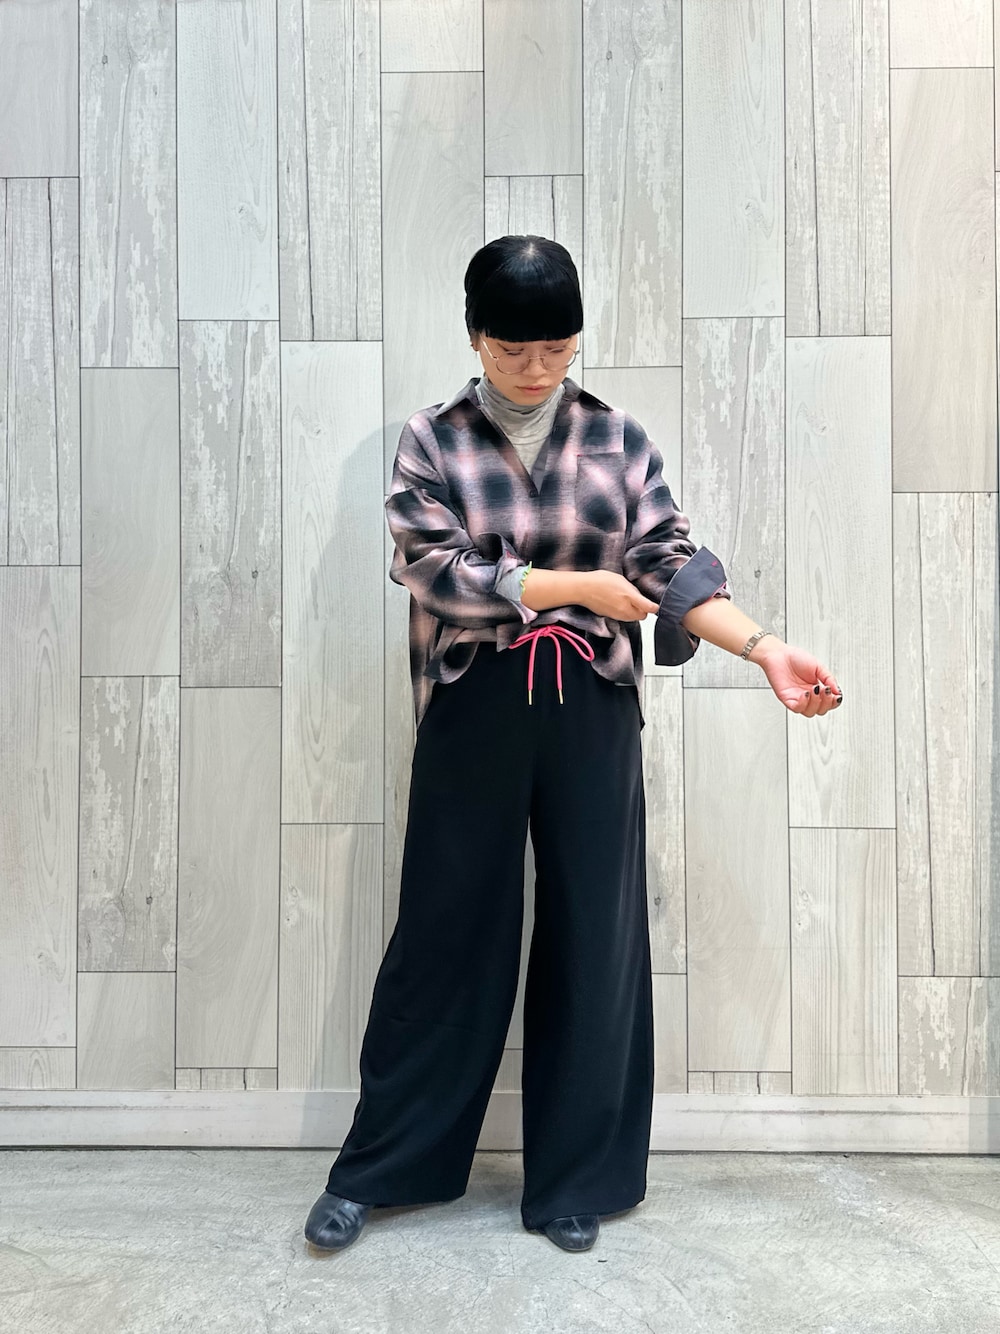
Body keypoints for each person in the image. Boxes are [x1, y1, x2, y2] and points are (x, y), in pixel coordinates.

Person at [304, 236, 843, 1254]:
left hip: (591, 704)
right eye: (513, 349)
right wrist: (574, 585)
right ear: (475, 336)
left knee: (596, 933)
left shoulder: (617, 439)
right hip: (473, 701)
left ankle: (574, 1177)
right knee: (444, 933)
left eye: (555, 348)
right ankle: (381, 1168)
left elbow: (669, 563)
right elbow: (432, 567)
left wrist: (765, 648)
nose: (536, 368)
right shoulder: (433, 439)